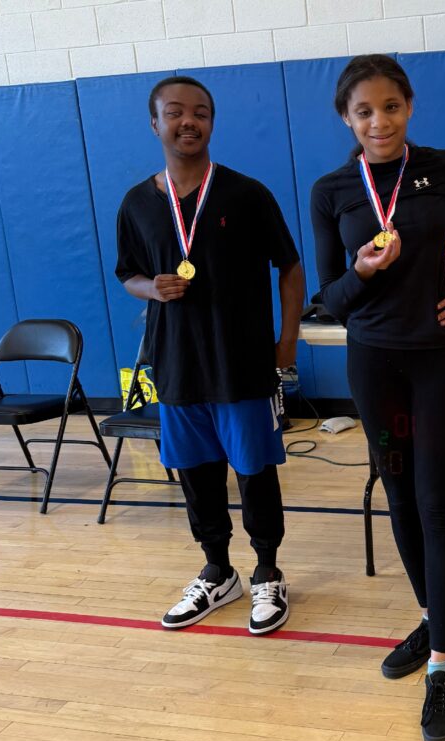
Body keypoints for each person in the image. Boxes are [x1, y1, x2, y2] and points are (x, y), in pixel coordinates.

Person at [311, 54, 445, 741]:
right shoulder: (331, 189)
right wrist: (362, 272)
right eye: (364, 111)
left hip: (437, 362)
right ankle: (435, 616)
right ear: (347, 117)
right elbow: (330, 299)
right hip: (373, 364)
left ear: (409, 107)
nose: (379, 121)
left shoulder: (444, 167)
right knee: (398, 497)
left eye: (391, 106)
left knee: (437, 504)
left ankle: (442, 667)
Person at [116, 76, 304, 635]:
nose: (187, 121)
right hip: (176, 367)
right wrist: (150, 287)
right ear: (156, 124)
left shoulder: (246, 194)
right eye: (174, 112)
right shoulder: (136, 203)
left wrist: (287, 343)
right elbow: (127, 272)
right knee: (196, 476)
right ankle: (218, 572)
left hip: (242, 365)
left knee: (255, 473)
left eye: (199, 112)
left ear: (212, 123)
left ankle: (268, 571)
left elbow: (290, 267)